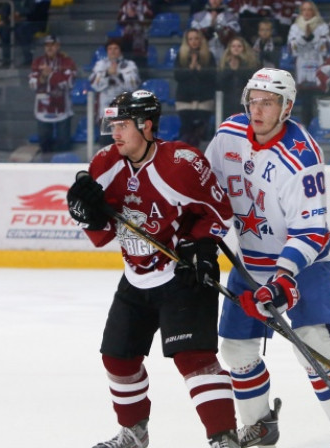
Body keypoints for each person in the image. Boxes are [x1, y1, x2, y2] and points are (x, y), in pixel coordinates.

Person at [64, 89, 240, 448]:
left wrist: (202, 248)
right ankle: (135, 433)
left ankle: (224, 439)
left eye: (123, 125)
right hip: (136, 278)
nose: (115, 133)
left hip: (183, 274)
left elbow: (220, 214)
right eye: (113, 124)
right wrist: (87, 215)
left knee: (195, 360)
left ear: (146, 126)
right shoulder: (104, 165)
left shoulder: (182, 164)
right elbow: (101, 237)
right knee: (117, 357)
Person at [204, 68, 330, 448]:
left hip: (303, 265)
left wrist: (284, 277)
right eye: (253, 101)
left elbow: (311, 231)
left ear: (286, 107)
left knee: (312, 345)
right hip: (249, 262)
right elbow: (205, 187)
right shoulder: (228, 134)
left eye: (268, 102)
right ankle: (260, 424)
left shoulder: (301, 156)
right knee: (235, 348)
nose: (257, 109)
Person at [28, 34, 77, 157]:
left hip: (62, 108)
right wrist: (43, 76)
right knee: (44, 143)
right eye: (47, 45)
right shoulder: (37, 62)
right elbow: (33, 84)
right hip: (43, 108)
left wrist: (51, 74)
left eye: (53, 45)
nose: (49, 48)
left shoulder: (67, 61)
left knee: (64, 143)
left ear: (58, 46)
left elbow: (68, 82)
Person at [89, 37, 142, 146]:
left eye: (115, 48)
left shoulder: (129, 65)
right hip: (105, 114)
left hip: (124, 114)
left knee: (125, 147)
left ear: (120, 50)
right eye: (110, 48)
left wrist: (118, 75)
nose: (112, 51)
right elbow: (94, 84)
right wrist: (107, 74)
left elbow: (134, 86)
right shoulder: (100, 65)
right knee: (106, 148)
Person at [287, 0, 330, 125]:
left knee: (319, 101)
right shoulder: (295, 27)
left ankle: (321, 127)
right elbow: (291, 47)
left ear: (314, 11)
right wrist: (305, 38)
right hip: (303, 67)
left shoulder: (322, 26)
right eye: (304, 10)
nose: (307, 12)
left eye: (309, 9)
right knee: (306, 103)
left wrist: (311, 37)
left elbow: (327, 47)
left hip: (318, 64)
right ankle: (306, 128)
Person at [174, 28, 217, 149]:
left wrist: (199, 70)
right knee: (186, 132)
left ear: (201, 40)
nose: (194, 42)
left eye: (196, 38)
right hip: (184, 100)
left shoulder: (209, 56)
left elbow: (213, 77)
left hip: (204, 99)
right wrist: (190, 69)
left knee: (202, 133)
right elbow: (177, 76)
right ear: (187, 41)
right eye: (191, 39)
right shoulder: (181, 56)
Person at [0, 0, 50, 68]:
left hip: (34, 22)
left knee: (22, 30)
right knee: (3, 29)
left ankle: (28, 59)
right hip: (16, 21)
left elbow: (36, 11)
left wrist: (20, 15)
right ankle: (6, 61)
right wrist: (3, 20)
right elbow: (6, 7)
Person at [217, 36, 261, 118]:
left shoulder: (251, 64)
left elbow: (253, 83)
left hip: (246, 104)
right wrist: (230, 70)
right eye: (233, 46)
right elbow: (219, 84)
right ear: (229, 49)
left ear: (244, 48)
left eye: (239, 46)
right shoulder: (224, 64)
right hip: (228, 104)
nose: (236, 48)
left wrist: (241, 66)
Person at [118, 0, 155, 69]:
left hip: (141, 39)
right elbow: (119, 20)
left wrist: (136, 16)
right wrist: (127, 16)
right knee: (127, 62)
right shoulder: (125, 4)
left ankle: (142, 77)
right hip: (127, 39)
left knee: (140, 64)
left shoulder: (145, 3)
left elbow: (149, 20)